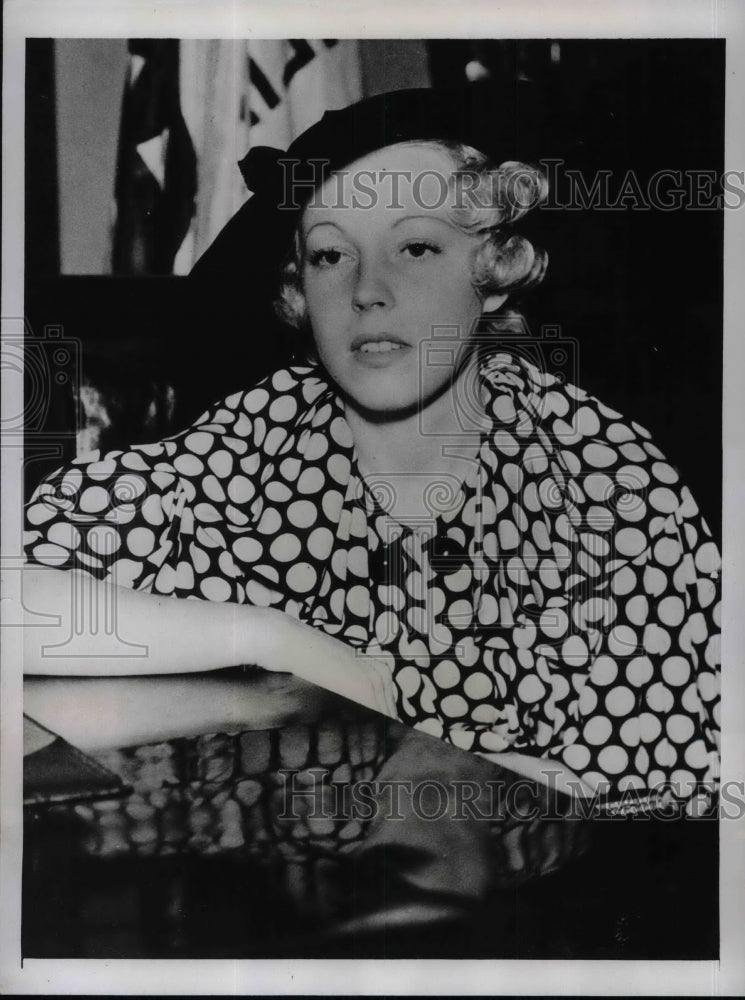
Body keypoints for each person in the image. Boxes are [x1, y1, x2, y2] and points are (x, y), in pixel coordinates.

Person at [23, 87, 720, 813]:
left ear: (492, 275)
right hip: (303, 899)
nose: (367, 291)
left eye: (416, 247)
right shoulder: (264, 433)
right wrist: (274, 637)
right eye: (330, 255)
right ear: (300, 291)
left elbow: (658, 813)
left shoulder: (595, 472)